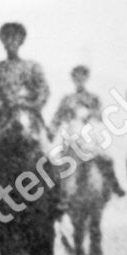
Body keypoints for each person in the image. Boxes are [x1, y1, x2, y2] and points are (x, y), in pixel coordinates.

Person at [50, 65, 126, 197]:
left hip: (89, 136)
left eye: (82, 77)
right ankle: (60, 197)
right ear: (73, 79)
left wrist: (91, 114)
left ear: (86, 79)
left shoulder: (93, 98)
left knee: (105, 159)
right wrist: (51, 132)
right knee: (62, 166)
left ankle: (114, 186)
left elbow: (100, 117)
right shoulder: (67, 99)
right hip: (72, 136)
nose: (79, 81)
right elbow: (57, 118)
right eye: (76, 78)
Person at [0, 22, 49, 150]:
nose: (11, 42)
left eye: (15, 38)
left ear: (21, 41)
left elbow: (43, 91)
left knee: (43, 155)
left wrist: (28, 103)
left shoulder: (32, 67)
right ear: (2, 42)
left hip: (28, 118)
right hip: (1, 119)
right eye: (7, 38)